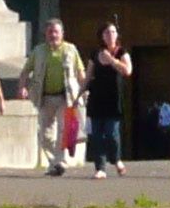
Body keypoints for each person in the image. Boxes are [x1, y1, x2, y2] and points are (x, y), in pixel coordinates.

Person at [26, 21, 85, 177]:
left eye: (56, 32)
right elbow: (26, 71)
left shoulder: (71, 50)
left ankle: (59, 162)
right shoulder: (38, 51)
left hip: (65, 96)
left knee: (62, 131)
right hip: (44, 97)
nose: (53, 35)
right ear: (46, 34)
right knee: (44, 135)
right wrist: (22, 87)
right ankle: (55, 162)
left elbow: (80, 71)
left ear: (62, 33)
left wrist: (84, 90)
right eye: (50, 32)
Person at [84, 22, 133, 179]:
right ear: (102, 36)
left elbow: (127, 71)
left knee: (111, 133)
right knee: (97, 135)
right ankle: (100, 168)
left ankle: (116, 159)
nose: (110, 35)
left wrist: (112, 60)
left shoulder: (121, 52)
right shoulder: (95, 54)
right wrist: (81, 92)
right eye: (107, 32)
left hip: (113, 99)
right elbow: (88, 75)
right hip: (97, 98)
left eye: (113, 32)